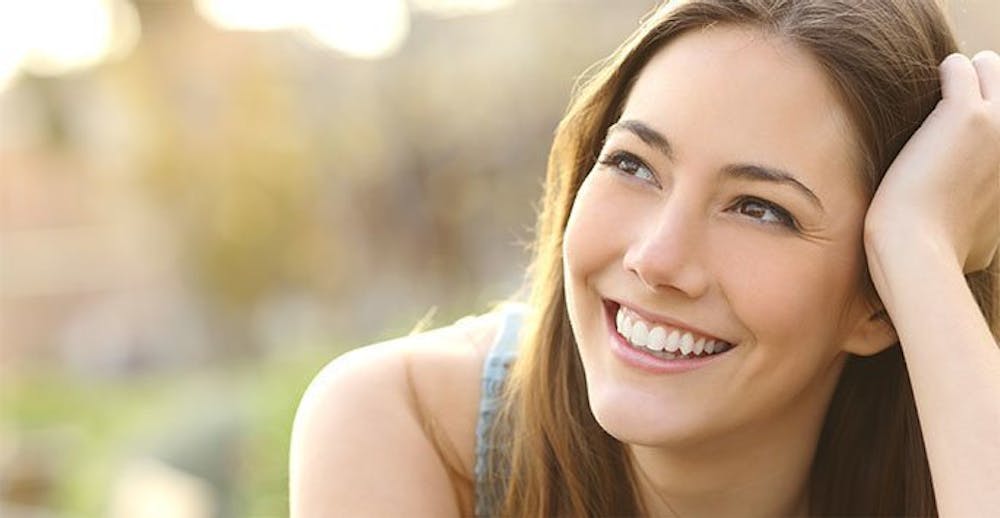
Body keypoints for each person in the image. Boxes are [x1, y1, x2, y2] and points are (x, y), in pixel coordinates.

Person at [289, 0, 1000, 516]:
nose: (657, 258)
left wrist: (920, 250)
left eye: (760, 209)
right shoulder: (404, 426)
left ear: (879, 306)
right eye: (632, 164)